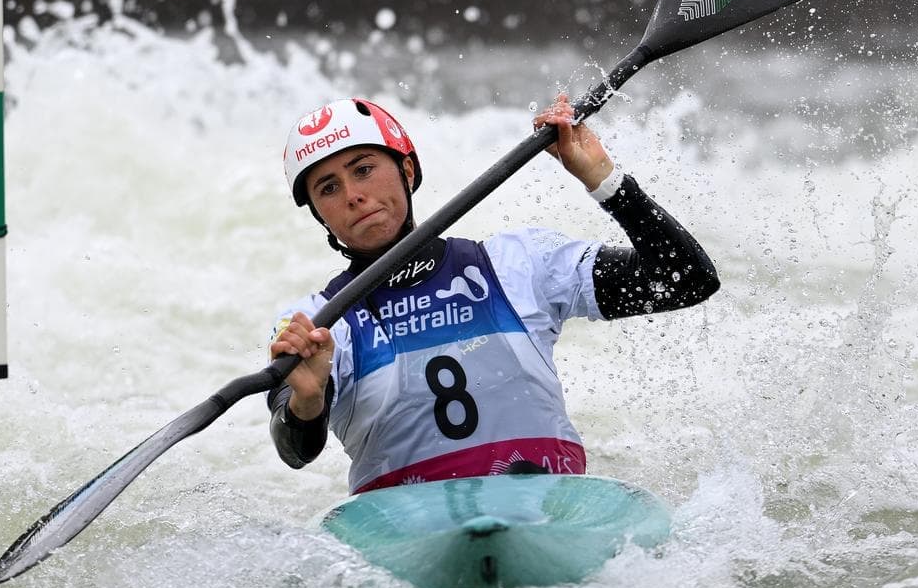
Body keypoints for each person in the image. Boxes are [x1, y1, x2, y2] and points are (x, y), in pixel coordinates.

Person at [266, 95, 718, 494]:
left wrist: (603, 178)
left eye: (364, 170)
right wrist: (307, 401)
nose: (353, 195)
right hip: (410, 529)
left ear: (406, 169)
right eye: (328, 188)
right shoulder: (315, 324)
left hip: (545, 504)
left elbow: (686, 278)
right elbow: (296, 453)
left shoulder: (518, 263)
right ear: (320, 215)